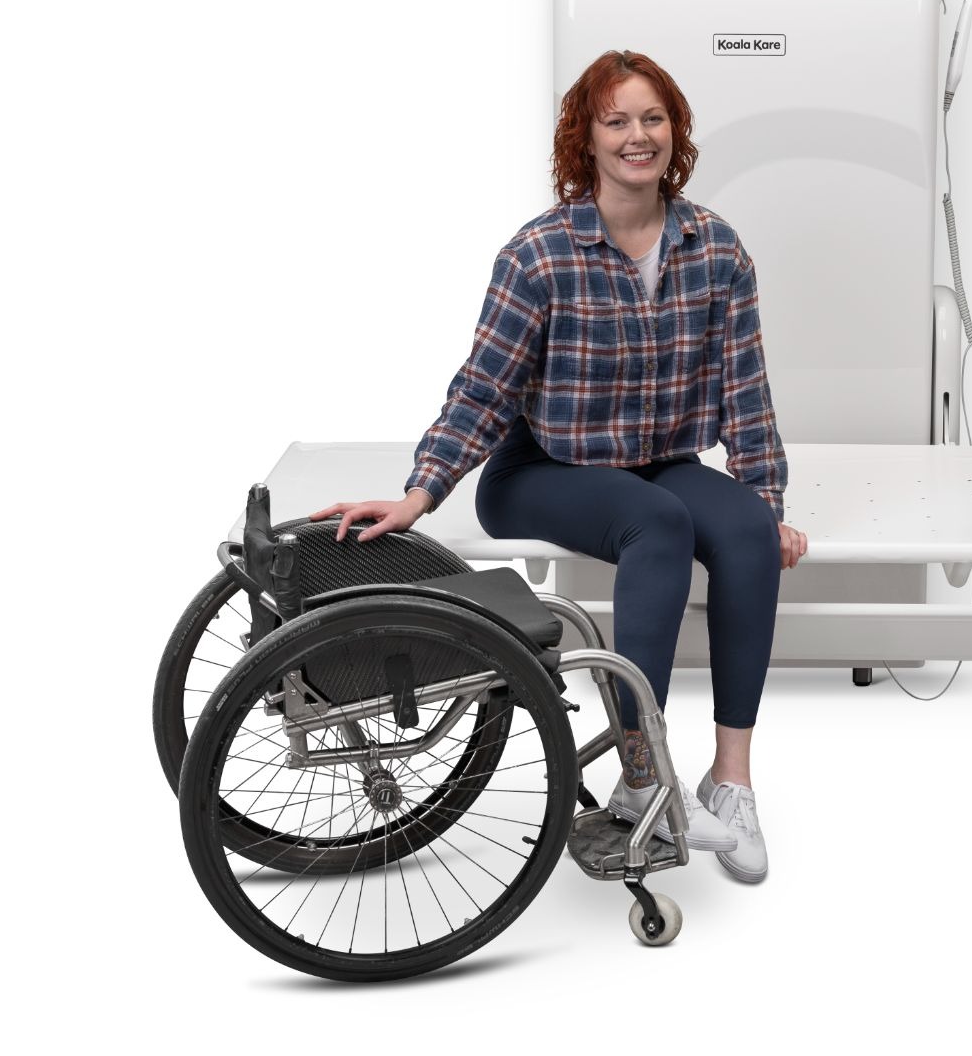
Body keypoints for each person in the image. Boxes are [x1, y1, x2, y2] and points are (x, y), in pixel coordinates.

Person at [312, 49, 806, 884]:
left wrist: (766, 498)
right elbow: (482, 387)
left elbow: (746, 390)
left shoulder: (715, 248)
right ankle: (643, 777)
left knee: (747, 529)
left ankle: (731, 781)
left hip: (654, 460)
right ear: (587, 139)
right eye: (616, 121)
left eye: (652, 118)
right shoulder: (540, 254)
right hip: (540, 467)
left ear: (675, 132)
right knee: (660, 523)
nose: (637, 135)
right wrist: (421, 492)